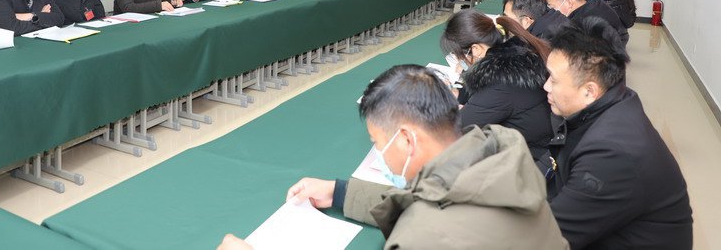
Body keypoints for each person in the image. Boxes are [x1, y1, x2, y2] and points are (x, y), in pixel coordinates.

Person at [218, 65, 567, 250]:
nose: (380, 155)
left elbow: (432, 214)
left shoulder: (424, 236)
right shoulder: (496, 154)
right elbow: (435, 192)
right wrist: (339, 192)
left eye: (378, 143)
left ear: (406, 140)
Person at [545, 19, 692, 249]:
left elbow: (548, 238)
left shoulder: (612, 153)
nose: (546, 86)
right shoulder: (612, 101)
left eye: (553, 79)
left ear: (589, 91)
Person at [440, 9, 554, 160]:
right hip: (538, 143)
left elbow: (456, 132)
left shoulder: (500, 83)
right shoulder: (514, 53)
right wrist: (456, 93)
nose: (459, 62)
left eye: (458, 56)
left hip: (533, 159)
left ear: (476, 49)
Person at [543, 0, 628, 45]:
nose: (551, 10)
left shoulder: (583, 25)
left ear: (569, 2)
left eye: (552, 6)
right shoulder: (595, 3)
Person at [502, 0, 572, 42]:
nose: (503, 23)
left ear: (526, 21)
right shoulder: (551, 18)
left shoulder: (540, 46)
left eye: (507, 20)